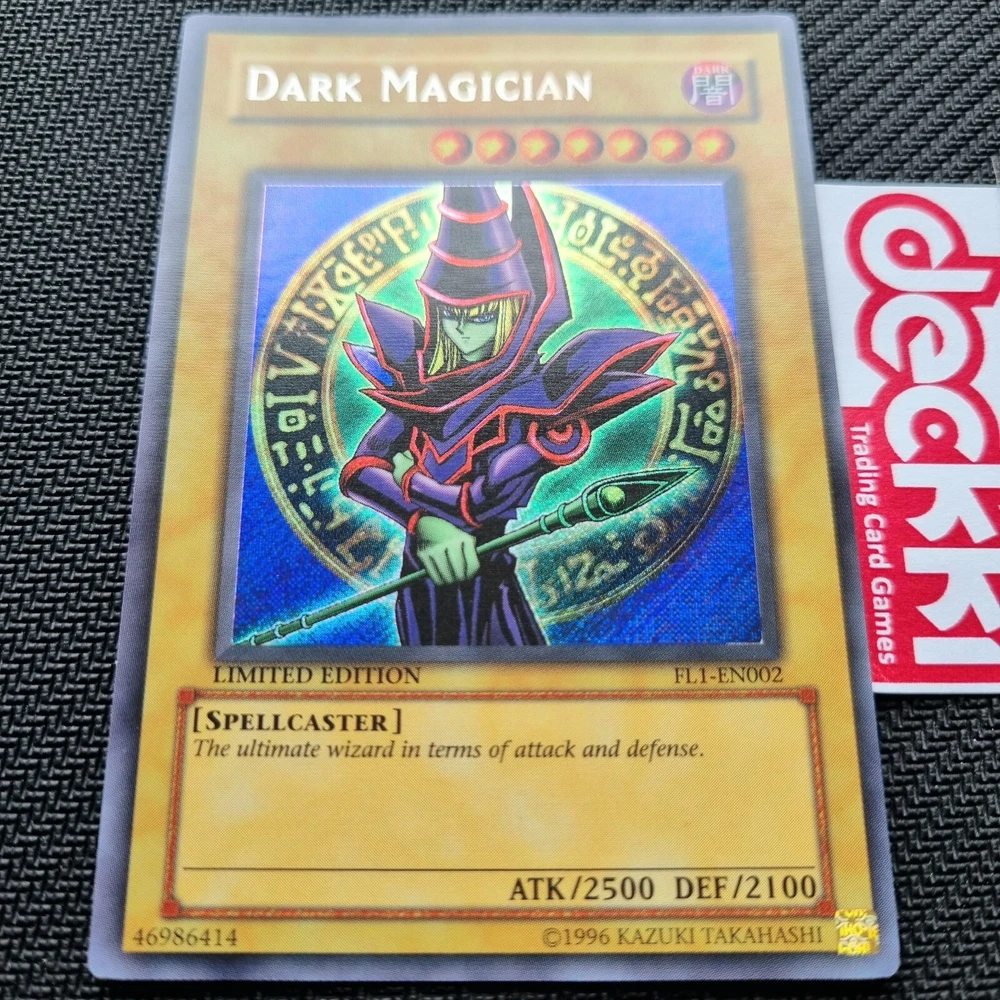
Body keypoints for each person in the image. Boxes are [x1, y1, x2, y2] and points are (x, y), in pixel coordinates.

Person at [339, 183, 675, 645]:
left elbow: (480, 502)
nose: (463, 332)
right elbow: (359, 469)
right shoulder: (422, 388)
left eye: (481, 317)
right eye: (451, 315)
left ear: (512, 314)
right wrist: (423, 523)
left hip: (483, 574)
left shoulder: (542, 405)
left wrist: (408, 479)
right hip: (422, 569)